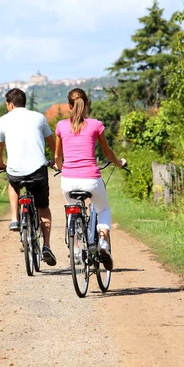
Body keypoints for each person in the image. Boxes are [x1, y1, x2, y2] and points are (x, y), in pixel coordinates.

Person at [54, 88, 125, 270]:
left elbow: (57, 157)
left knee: (72, 209)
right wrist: (119, 163)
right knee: (103, 209)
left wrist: (60, 167)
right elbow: (108, 152)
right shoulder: (95, 125)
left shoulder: (61, 126)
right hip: (91, 180)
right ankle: (102, 243)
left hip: (68, 180)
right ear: (87, 103)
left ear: (69, 105)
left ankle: (76, 247)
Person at [0, 88, 57, 266]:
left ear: (10, 104)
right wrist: (55, 160)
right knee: (43, 207)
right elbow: (52, 142)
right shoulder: (39, 117)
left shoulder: (3, 120)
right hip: (38, 170)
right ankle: (46, 246)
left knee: (13, 184)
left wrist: (0, 163)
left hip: (15, 171)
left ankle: (15, 219)